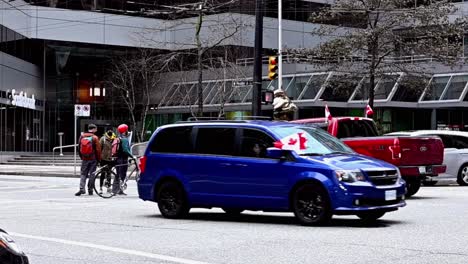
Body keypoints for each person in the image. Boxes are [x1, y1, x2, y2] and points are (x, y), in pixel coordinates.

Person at [76, 124, 101, 196]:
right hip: (93, 159)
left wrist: (82, 157)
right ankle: (90, 190)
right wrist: (99, 159)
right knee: (92, 174)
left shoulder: (82, 136)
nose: (96, 130)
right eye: (96, 129)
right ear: (93, 129)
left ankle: (81, 189)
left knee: (83, 174)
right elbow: (98, 150)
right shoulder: (95, 137)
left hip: (84, 158)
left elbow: (79, 147)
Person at [113, 124, 135, 195]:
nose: (127, 131)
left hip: (117, 159)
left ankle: (115, 189)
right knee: (122, 175)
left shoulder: (118, 138)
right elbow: (125, 150)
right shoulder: (125, 139)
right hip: (123, 159)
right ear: (125, 131)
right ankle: (119, 190)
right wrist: (132, 156)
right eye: (127, 130)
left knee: (117, 174)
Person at [99, 129, 116, 194]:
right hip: (103, 159)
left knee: (109, 173)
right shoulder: (103, 139)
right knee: (102, 174)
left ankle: (108, 187)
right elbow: (99, 149)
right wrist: (99, 159)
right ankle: (100, 188)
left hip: (110, 159)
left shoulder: (114, 138)